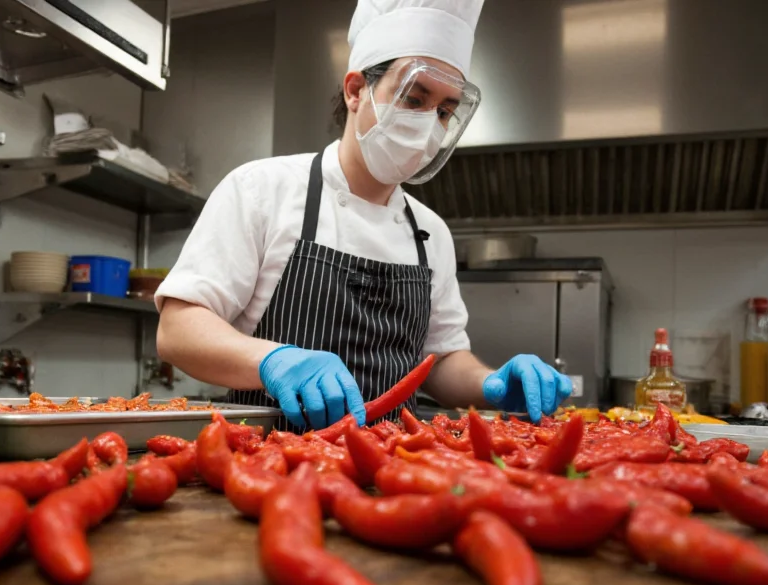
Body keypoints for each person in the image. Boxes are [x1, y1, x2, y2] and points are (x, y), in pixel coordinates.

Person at [155, 0, 572, 431]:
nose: (429, 124)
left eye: (445, 111)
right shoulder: (261, 190)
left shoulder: (431, 233)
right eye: (413, 98)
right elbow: (178, 330)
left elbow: (442, 360)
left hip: (392, 468)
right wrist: (273, 360)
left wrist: (491, 384)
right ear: (356, 90)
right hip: (267, 463)